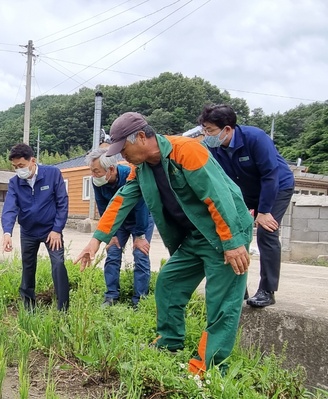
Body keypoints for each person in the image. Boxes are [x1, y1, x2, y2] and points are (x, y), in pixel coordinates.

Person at [75, 112, 253, 376]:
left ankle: (211, 366)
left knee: (222, 301)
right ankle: (169, 341)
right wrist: (96, 241)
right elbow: (122, 199)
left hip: (224, 232)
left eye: (123, 148)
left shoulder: (187, 151)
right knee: (169, 282)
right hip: (195, 236)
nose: (122, 155)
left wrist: (233, 242)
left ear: (141, 138)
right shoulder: (142, 168)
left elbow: (217, 196)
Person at [198, 104, 295, 308]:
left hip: (277, 187)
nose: (206, 135)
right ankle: (239, 289)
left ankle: (267, 291)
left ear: (227, 129)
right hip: (246, 192)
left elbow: (270, 175)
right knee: (232, 233)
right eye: (204, 130)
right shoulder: (213, 147)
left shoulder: (256, 138)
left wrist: (264, 211)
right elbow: (221, 181)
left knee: (266, 232)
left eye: (210, 130)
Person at [1, 143, 70, 311]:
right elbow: (9, 207)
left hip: (50, 230)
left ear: (33, 161)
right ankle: (28, 306)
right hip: (28, 231)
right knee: (28, 266)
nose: (19, 170)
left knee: (58, 263)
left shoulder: (52, 174)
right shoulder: (15, 183)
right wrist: (7, 232)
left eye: (21, 166)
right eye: (15, 167)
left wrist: (57, 230)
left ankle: (63, 308)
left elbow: (62, 203)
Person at [86, 148, 155, 307]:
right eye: (92, 171)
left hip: (142, 217)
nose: (93, 175)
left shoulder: (130, 175)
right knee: (113, 251)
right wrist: (111, 234)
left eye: (96, 171)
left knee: (140, 253)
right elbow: (104, 207)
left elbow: (141, 206)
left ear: (111, 169)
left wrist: (140, 235)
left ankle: (139, 300)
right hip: (119, 221)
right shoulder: (98, 181)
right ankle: (111, 296)